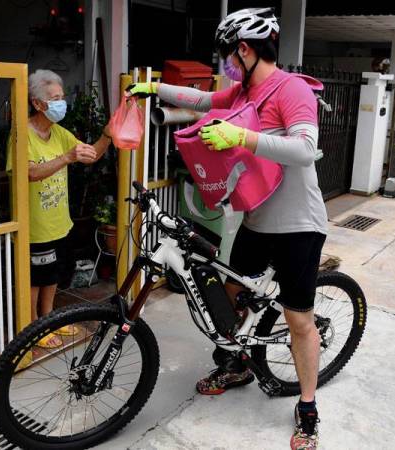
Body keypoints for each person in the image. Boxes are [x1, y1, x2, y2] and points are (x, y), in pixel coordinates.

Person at [127, 8, 326, 450]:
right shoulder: (241, 92)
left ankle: (308, 406)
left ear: (244, 49)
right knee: (230, 300)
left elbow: (306, 149)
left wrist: (242, 139)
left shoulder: (290, 89)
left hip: (297, 225)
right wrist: (152, 87)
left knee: (298, 321)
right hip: (256, 220)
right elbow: (200, 101)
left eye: (226, 57)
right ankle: (237, 365)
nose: (225, 66)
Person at [7, 69, 112, 348]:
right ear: (37, 103)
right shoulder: (22, 134)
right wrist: (66, 157)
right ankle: (32, 329)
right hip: (35, 224)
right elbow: (29, 173)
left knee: (52, 275)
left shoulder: (59, 132)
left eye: (62, 97)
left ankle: (48, 319)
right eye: (55, 98)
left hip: (58, 221)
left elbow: (89, 155)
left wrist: (107, 136)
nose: (61, 103)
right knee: (35, 279)